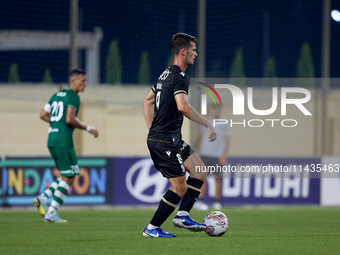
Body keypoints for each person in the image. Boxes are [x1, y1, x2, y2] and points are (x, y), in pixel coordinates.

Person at [142, 33, 217, 238]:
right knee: (179, 187)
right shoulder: (179, 76)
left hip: (169, 138)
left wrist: (152, 128)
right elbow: (182, 106)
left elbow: (147, 101)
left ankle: (183, 215)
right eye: (193, 50)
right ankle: (152, 228)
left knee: (200, 170)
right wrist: (207, 124)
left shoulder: (165, 74)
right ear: (183, 52)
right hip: (164, 140)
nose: (196, 53)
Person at [33, 69, 99, 223]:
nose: (85, 84)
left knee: (69, 175)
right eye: (83, 81)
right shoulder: (73, 96)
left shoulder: (55, 96)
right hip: (63, 140)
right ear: (73, 81)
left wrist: (56, 123)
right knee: (69, 176)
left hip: (53, 138)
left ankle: (43, 198)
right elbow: (70, 118)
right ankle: (51, 212)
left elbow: (43, 115)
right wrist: (88, 128)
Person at [194, 104, 231, 210]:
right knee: (202, 178)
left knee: (217, 179)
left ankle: (217, 201)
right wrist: (195, 150)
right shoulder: (206, 122)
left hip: (217, 155)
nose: (217, 111)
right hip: (205, 154)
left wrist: (224, 153)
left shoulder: (224, 124)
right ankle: (200, 201)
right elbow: (199, 136)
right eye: (215, 109)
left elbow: (227, 139)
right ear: (212, 110)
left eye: (218, 109)